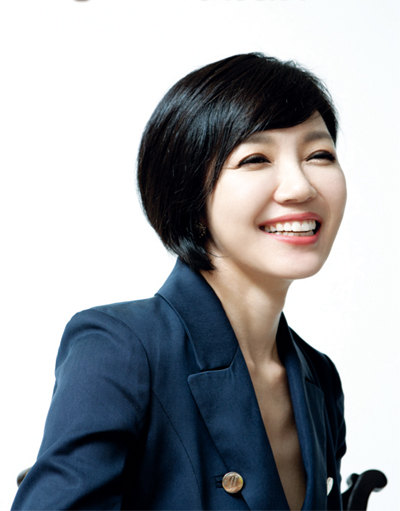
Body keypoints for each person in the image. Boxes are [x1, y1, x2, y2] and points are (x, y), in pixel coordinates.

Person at [12, 53, 347, 511]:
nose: (300, 187)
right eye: (255, 159)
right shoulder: (121, 348)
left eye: (319, 155)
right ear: (190, 192)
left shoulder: (318, 377)